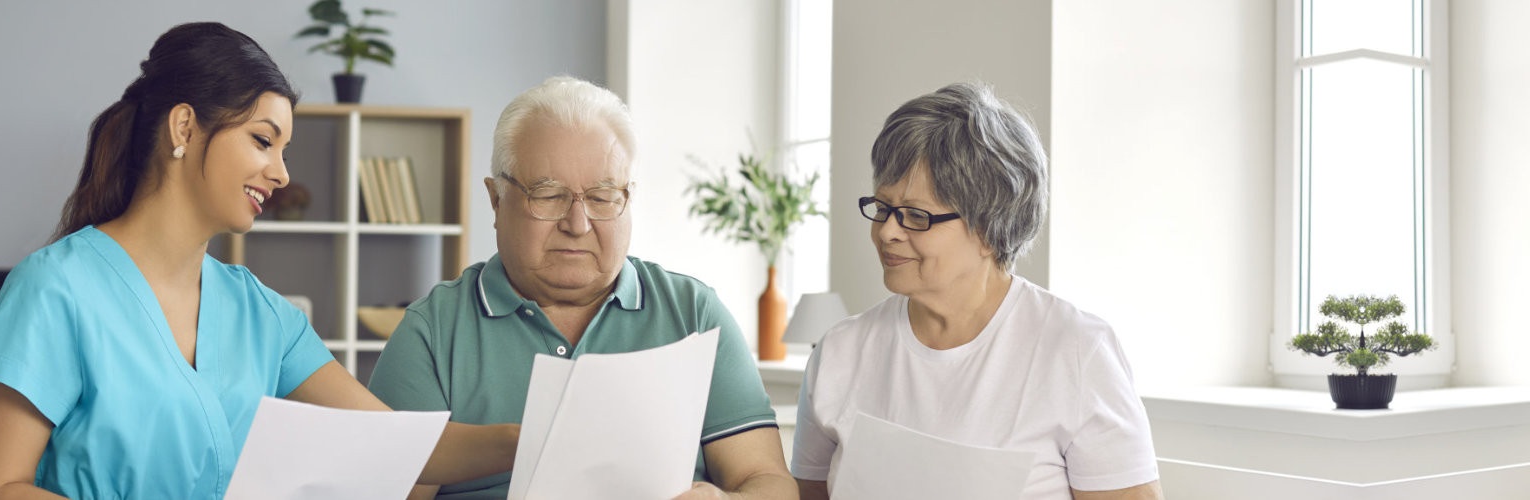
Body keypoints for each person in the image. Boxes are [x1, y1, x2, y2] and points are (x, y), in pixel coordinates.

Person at [0, 22, 518, 500]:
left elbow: (398, 445)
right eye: (262, 140)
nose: (280, 173)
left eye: (284, 151)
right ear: (184, 128)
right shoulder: (56, 288)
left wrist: (521, 440)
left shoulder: (261, 313)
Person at [367, 76, 797, 500]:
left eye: (602, 196)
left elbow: (767, 480)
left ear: (629, 198)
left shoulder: (695, 314)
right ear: (496, 200)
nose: (578, 224)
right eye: (548, 195)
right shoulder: (433, 331)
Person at [791, 83, 1162, 499]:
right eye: (882, 208)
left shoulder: (1076, 351)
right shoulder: (840, 351)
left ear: (989, 229)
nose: (887, 232)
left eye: (916, 215)